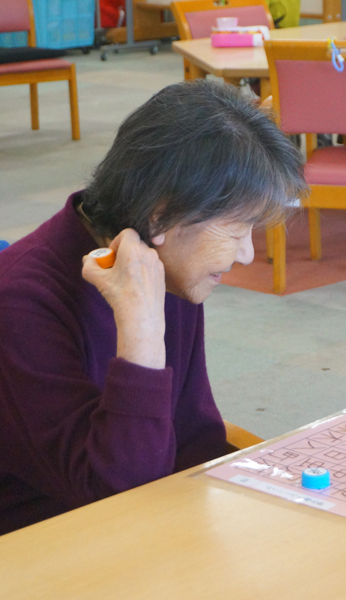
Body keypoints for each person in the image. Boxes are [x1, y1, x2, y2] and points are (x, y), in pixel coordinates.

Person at [0, 80, 307, 536]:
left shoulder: (163, 265)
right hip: (43, 547)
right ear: (161, 215)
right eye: (237, 228)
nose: (246, 254)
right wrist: (141, 333)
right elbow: (117, 494)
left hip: (145, 532)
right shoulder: (21, 304)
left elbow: (193, 438)